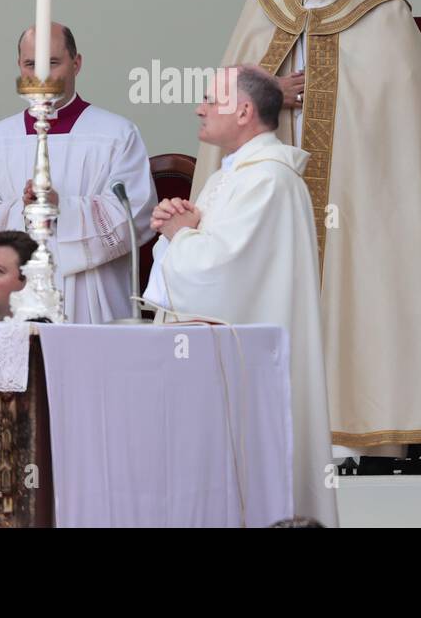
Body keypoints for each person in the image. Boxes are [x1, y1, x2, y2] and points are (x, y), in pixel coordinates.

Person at [192, 0, 421, 461]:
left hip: (351, 197)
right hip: (264, 194)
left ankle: (351, 432)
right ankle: (254, 425)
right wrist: (273, 95)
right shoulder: (265, 3)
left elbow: (400, 126)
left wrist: (316, 98)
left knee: (354, 293)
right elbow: (227, 93)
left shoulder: (384, 16)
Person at [144, 65, 336, 526]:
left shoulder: (267, 180)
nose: (200, 108)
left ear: (245, 110)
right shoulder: (231, 177)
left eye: (211, 99)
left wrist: (180, 234)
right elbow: (204, 257)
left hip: (245, 368)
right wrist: (178, 227)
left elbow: (219, 274)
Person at [0, 22, 156, 323]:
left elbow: (135, 214)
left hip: (92, 299)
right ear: (19, 66)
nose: (41, 76)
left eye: (53, 63)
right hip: (16, 301)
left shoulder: (116, 134)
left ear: (77, 63)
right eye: (31, 64)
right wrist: (22, 212)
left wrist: (63, 209)